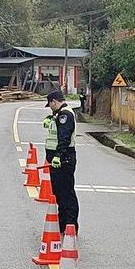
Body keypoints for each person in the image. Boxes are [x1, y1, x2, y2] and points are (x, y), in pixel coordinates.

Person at [43, 87, 79, 234]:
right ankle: (63, 223)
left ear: (54, 102)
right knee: (60, 193)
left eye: (50, 105)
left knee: (66, 193)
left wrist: (58, 155)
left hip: (63, 159)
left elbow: (64, 137)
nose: (50, 108)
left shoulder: (65, 115)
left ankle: (70, 225)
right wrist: (51, 118)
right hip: (58, 160)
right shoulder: (59, 114)